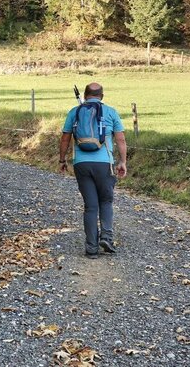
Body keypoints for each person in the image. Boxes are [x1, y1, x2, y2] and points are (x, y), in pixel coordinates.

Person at [59, 83, 127, 259]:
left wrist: (62, 160)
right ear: (102, 96)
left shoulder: (75, 112)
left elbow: (65, 138)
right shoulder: (110, 112)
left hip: (81, 164)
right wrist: (122, 162)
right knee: (106, 201)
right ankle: (106, 237)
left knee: (90, 206)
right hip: (104, 163)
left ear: (85, 95)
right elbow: (120, 139)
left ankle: (91, 248)